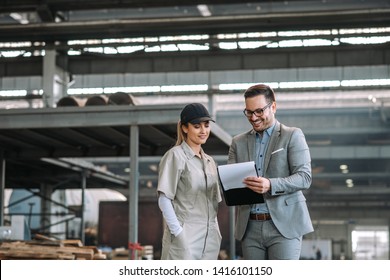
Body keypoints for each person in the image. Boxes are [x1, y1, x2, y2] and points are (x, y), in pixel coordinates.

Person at [228, 83, 313, 260]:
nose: (254, 117)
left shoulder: (292, 135)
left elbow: (304, 177)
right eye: (249, 112)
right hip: (249, 228)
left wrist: (270, 184)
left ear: (273, 106)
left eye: (259, 111)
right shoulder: (238, 142)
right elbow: (232, 183)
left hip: (284, 226)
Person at [157, 103, 222, 260]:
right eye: (197, 126)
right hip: (185, 236)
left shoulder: (210, 161)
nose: (203, 131)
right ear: (185, 128)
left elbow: (214, 202)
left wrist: (216, 230)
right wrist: (178, 233)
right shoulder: (175, 156)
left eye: (206, 125)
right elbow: (164, 199)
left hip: (210, 237)